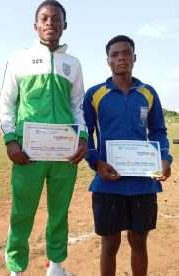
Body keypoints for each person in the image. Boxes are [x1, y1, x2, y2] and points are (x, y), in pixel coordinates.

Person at [0, 1, 87, 275]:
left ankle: (56, 266)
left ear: (64, 25)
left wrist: (82, 137)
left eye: (56, 19)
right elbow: (6, 102)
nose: (50, 23)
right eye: (44, 18)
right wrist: (11, 140)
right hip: (28, 154)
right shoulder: (19, 59)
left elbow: (77, 105)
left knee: (59, 212)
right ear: (35, 25)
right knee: (22, 213)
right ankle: (16, 268)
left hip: (64, 154)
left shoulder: (73, 64)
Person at [83, 35, 173, 276]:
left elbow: (158, 131)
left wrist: (165, 158)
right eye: (115, 54)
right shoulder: (95, 94)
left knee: (139, 241)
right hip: (108, 182)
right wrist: (96, 162)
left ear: (135, 57)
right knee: (110, 243)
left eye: (126, 53)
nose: (121, 57)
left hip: (143, 182)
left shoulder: (148, 93)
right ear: (108, 61)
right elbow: (85, 134)